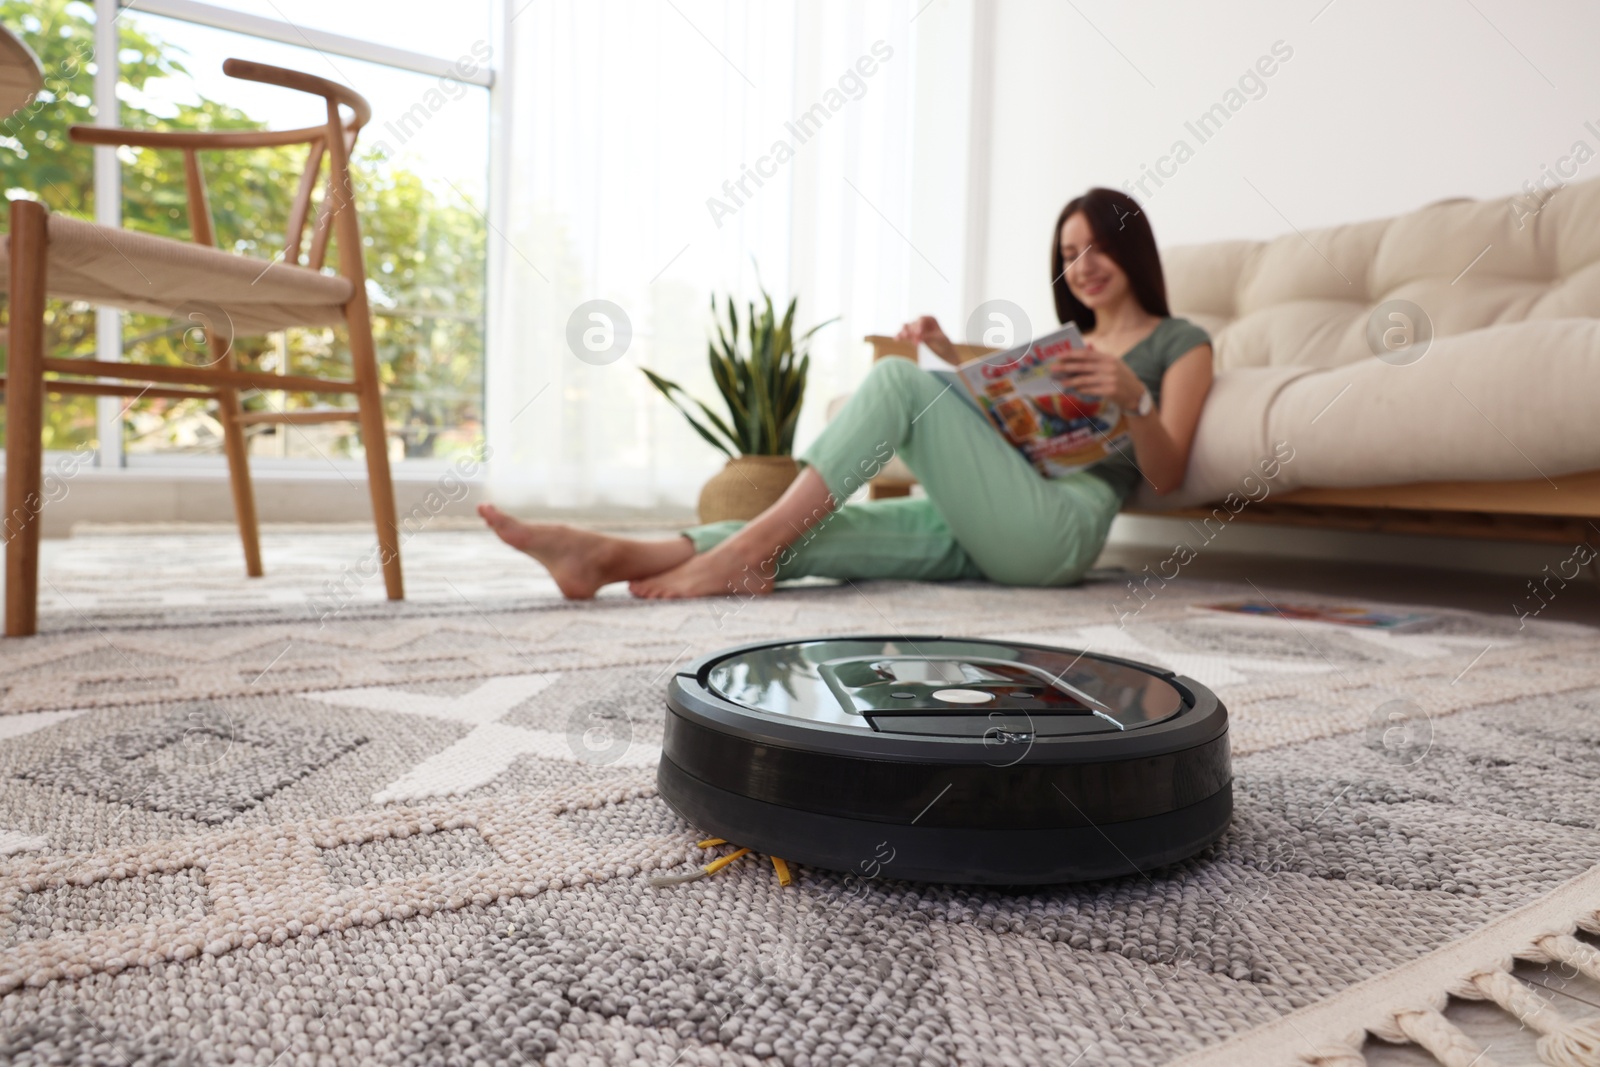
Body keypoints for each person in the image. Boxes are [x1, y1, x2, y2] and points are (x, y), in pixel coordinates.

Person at [479, 187, 1214, 600]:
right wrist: (950, 353)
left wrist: (1133, 401)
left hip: (1061, 528)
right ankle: (609, 555)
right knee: (826, 532)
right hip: (1000, 510)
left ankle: (745, 549)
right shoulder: (1061, 348)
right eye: (1067, 253)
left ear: (1131, 247)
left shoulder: (1180, 341)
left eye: (1096, 246)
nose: (1082, 265)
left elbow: (1168, 470)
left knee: (896, 381)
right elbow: (998, 419)